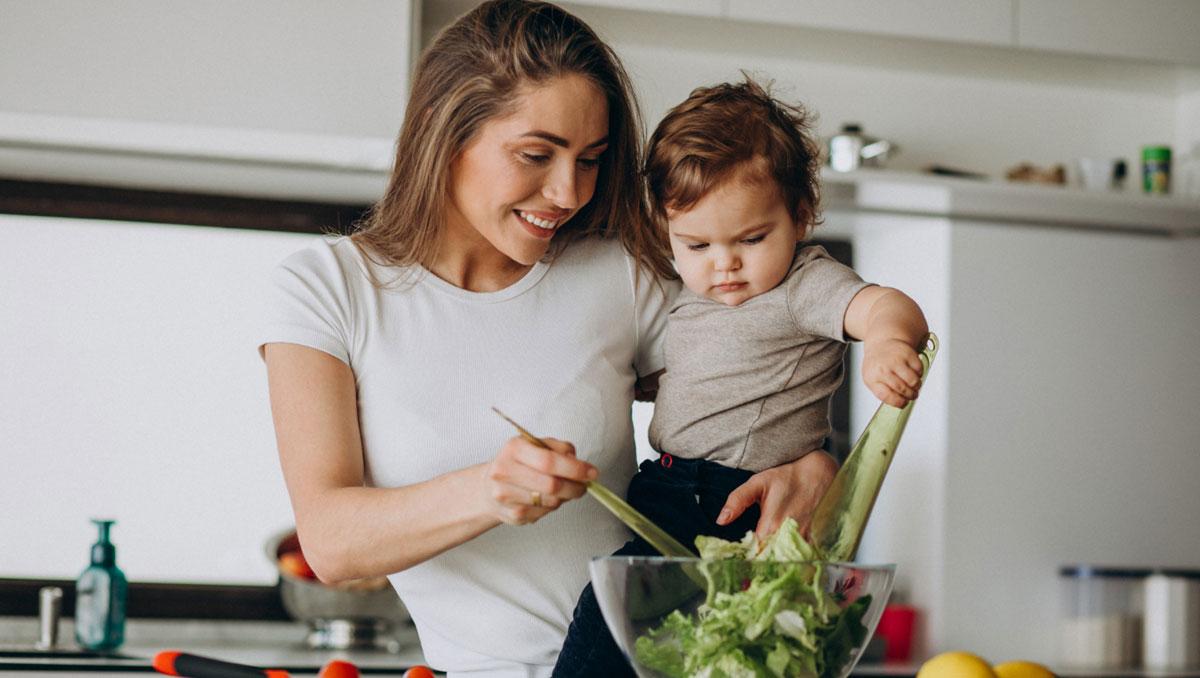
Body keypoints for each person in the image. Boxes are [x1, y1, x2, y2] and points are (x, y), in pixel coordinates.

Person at [259, 4, 839, 676]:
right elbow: (330, 543)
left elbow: (763, 379)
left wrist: (815, 462)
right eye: (536, 154)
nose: (569, 191)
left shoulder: (616, 274)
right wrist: (489, 490)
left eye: (590, 159)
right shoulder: (328, 288)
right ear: (447, 135)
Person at [553, 77, 929, 676]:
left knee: (654, 637)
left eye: (752, 239)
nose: (724, 263)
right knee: (627, 631)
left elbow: (888, 306)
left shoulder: (804, 283)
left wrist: (887, 341)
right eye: (696, 243)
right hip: (667, 491)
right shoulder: (688, 289)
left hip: (742, 504)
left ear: (801, 215)